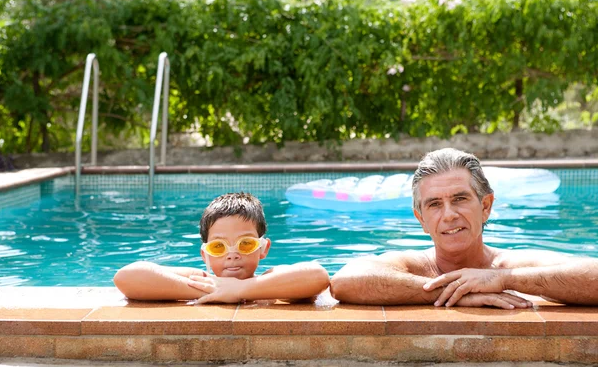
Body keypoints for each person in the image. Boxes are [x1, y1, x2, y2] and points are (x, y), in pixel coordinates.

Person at [330, 148, 598, 308]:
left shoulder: (507, 265)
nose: (449, 215)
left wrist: (505, 280)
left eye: (459, 199)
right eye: (434, 204)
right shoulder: (416, 265)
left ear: (485, 207)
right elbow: (344, 282)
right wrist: (455, 293)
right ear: (421, 219)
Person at [114, 192, 329, 303]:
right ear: (205, 254)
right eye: (219, 247)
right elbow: (126, 276)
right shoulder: (200, 281)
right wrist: (211, 291)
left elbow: (318, 276)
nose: (232, 254)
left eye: (245, 244)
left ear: (263, 248)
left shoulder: (270, 281)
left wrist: (238, 290)